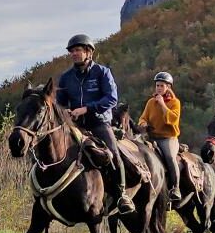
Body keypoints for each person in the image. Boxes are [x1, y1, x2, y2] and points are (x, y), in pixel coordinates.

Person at [56, 34, 134, 214]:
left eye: (78, 50)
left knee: (114, 153)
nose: (74, 54)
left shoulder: (102, 72)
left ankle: (122, 195)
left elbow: (111, 98)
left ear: (89, 52)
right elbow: (60, 103)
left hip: (99, 123)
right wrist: (65, 111)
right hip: (75, 125)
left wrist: (87, 109)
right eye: (72, 51)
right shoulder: (66, 78)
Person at [138, 71, 182, 203]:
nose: (158, 88)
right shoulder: (151, 102)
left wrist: (163, 104)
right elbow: (143, 117)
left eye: (162, 86)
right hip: (151, 137)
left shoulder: (175, 102)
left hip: (168, 138)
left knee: (169, 157)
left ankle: (176, 188)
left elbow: (173, 119)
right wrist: (143, 123)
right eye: (157, 85)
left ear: (168, 87)